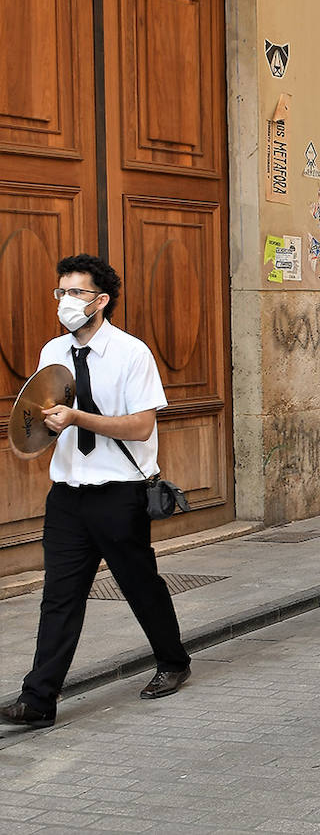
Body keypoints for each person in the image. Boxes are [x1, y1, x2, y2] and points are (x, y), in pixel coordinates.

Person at [1, 255, 193, 729]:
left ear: (100, 301)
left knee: (139, 586)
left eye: (75, 293)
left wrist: (79, 418)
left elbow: (142, 425)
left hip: (120, 494)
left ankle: (173, 661)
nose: (65, 301)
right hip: (67, 493)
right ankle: (38, 700)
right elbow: (39, 422)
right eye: (60, 292)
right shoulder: (52, 353)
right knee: (60, 596)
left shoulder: (132, 353)